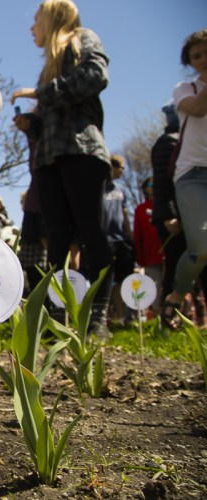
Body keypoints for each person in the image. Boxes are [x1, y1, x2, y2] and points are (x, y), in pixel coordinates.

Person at [12, 0, 113, 338]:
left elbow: (95, 76)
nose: (31, 27)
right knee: (56, 239)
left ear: (53, 18)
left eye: (36, 19)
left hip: (81, 148)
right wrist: (32, 122)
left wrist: (41, 93)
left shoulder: (81, 38)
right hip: (48, 159)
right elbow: (52, 114)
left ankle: (96, 314)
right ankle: (56, 315)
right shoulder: (49, 65)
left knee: (90, 232)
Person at [161, 29, 207, 329]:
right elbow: (198, 108)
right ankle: (177, 294)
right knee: (201, 247)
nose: (203, 60)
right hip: (192, 175)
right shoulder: (185, 89)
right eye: (197, 56)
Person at [104, 154, 135, 324]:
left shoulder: (120, 190)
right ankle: (107, 316)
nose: (122, 171)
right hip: (104, 239)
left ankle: (123, 316)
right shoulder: (98, 188)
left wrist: (130, 236)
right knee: (105, 279)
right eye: (120, 167)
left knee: (124, 278)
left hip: (120, 239)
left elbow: (124, 214)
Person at [132, 176, 163, 311]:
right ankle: (158, 317)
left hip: (168, 253)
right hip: (150, 255)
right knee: (155, 286)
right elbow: (137, 234)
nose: (153, 186)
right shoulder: (140, 209)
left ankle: (177, 316)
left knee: (172, 284)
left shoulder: (165, 205)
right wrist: (140, 257)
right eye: (150, 184)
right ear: (145, 188)